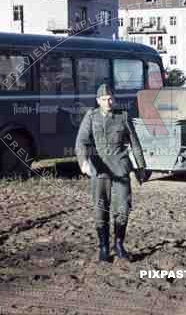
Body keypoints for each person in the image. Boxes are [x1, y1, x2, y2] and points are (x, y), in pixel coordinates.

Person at [75, 83, 146, 263]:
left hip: (121, 168)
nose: (108, 102)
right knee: (100, 209)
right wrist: (84, 162)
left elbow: (135, 144)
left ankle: (119, 244)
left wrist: (141, 168)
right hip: (100, 171)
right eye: (104, 99)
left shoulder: (123, 117)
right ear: (98, 100)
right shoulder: (91, 117)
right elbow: (81, 141)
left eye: (111, 98)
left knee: (123, 208)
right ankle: (104, 247)